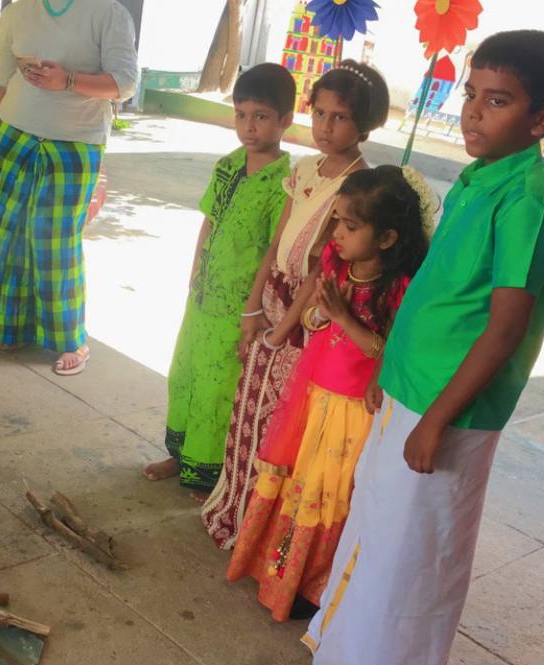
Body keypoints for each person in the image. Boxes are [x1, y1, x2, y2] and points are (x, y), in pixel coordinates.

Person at [304, 31, 544, 665]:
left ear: (541, 119)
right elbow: (437, 294)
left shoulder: (528, 202)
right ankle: (362, 663)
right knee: (380, 530)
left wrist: (433, 419)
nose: (473, 113)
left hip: (449, 410)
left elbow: (505, 327)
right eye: (471, 95)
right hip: (411, 387)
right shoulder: (485, 178)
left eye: (498, 101)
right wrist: (392, 374)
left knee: (418, 553)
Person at [226, 166, 431, 622]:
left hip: (351, 411)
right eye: (336, 220)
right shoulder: (339, 266)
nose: (336, 233)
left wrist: (343, 319)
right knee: (300, 482)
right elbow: (314, 323)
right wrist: (321, 314)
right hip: (314, 396)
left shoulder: (397, 288)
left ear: (387, 238)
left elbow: (386, 352)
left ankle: (312, 583)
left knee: (328, 492)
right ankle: (279, 571)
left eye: (350, 226)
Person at [201, 59, 388, 548]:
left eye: (340, 117)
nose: (326, 127)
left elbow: (322, 265)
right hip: (270, 300)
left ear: (364, 125)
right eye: (320, 113)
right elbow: (278, 241)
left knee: (279, 423)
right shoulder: (304, 169)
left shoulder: (357, 183)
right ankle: (234, 508)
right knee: (247, 408)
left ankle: (259, 533)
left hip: (304, 315)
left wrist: (282, 329)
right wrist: (253, 308)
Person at [141, 63, 295, 492]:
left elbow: (273, 250)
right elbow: (209, 221)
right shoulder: (228, 166)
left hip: (237, 307)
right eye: (241, 115)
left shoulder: (284, 182)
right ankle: (181, 456)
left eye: (261, 116)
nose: (249, 127)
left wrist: (252, 306)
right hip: (203, 298)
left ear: (285, 120)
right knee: (185, 374)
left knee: (218, 389)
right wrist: (194, 275)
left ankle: (209, 475)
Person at [0, 0, 138, 376]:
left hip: (74, 144)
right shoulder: (16, 12)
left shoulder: (108, 14)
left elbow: (124, 83)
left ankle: (71, 339)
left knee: (57, 244)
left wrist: (69, 81)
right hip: (14, 135)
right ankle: (9, 326)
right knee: (4, 235)